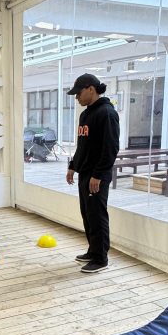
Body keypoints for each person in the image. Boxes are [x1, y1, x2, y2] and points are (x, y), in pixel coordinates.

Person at [65, 73, 120, 274]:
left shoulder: (106, 113)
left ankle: (101, 258)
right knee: (87, 215)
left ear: (90, 89)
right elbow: (83, 146)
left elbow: (111, 148)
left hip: (97, 175)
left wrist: (98, 174)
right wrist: (73, 166)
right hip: (85, 173)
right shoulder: (86, 114)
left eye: (78, 93)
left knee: (97, 216)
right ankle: (93, 250)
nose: (76, 98)